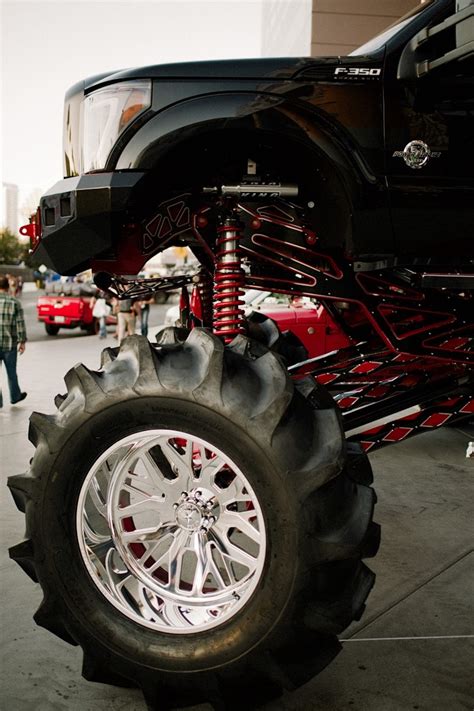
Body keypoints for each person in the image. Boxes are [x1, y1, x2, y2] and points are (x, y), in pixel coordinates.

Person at [0, 274, 27, 408]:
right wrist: (22, 342)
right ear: (7, 286)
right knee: (11, 373)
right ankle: (15, 396)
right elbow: (20, 324)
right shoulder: (14, 302)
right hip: (9, 345)